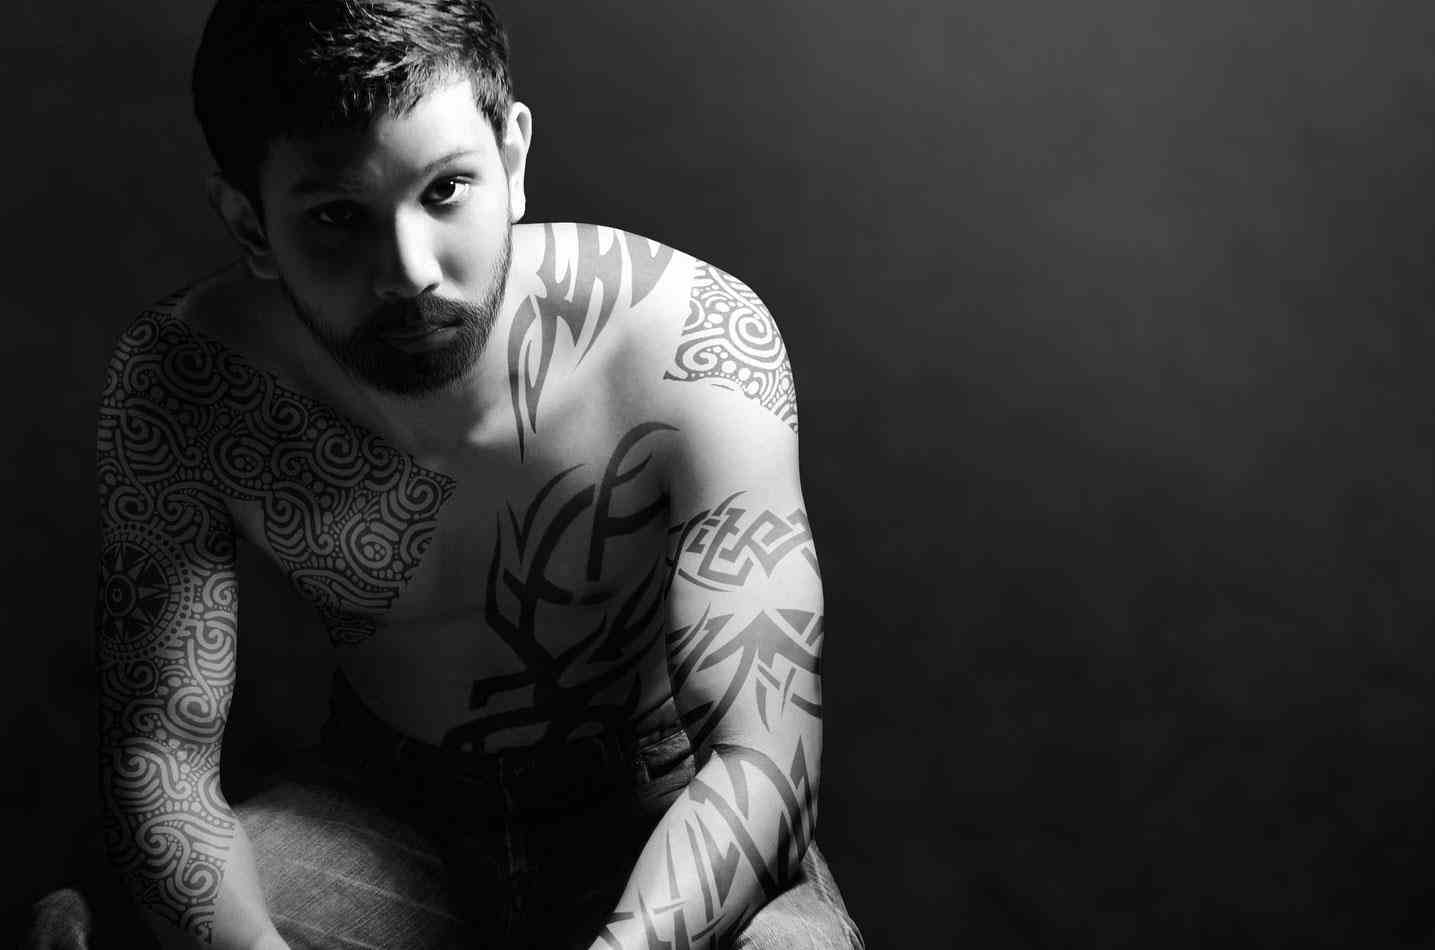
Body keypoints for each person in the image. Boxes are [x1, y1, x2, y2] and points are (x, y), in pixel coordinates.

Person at [71, 1, 865, 947]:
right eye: (336, 217)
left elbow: (761, 762)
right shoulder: (190, 382)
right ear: (251, 225)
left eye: (446, 190)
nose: (408, 271)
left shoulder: (688, 341)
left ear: (513, 159)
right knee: (88, 934)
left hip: (658, 801)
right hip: (382, 815)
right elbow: (160, 758)